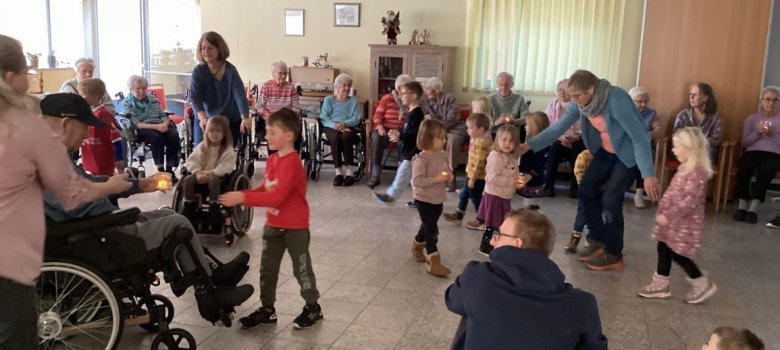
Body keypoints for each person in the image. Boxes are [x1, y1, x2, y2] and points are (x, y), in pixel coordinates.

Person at [40, 93, 253, 308]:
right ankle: (210, 296)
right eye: (85, 126)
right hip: (96, 233)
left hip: (95, 227)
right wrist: (110, 190)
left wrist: (137, 185)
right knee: (177, 225)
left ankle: (214, 274)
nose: (87, 133)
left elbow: (85, 183)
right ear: (65, 124)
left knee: (170, 214)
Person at [0, 36, 130, 349]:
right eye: (25, 76)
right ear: (9, 78)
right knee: (16, 334)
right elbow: (69, 194)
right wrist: (111, 187)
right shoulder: (22, 128)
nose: (27, 84)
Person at [520, 69, 660, 271]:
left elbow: (640, 137)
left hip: (628, 154)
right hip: (605, 151)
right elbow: (558, 127)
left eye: (577, 96)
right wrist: (529, 145)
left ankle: (613, 253)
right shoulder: (584, 104)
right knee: (586, 189)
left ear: (591, 89)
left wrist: (648, 175)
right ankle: (597, 239)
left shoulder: (616, 99)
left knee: (611, 200)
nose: (574, 100)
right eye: (572, 96)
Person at [445, 207, 608, 350]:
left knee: (470, 309)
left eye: (499, 234)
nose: (493, 240)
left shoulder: (478, 276)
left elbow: (452, 300)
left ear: (517, 243)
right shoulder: (582, 304)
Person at [221, 108, 324, 330]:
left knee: (301, 268)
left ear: (288, 135)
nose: (266, 136)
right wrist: (244, 196)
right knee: (267, 269)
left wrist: (243, 198)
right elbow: (266, 188)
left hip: (295, 227)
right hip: (273, 226)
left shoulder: (293, 163)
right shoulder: (273, 160)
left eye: (272, 132)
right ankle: (268, 309)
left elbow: (277, 197)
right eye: (266, 131)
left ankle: (313, 307)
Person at [637, 128, 717, 304]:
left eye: (677, 146)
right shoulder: (685, 169)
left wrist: (669, 215)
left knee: (677, 253)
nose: (673, 150)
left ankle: (702, 283)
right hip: (673, 222)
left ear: (689, 148)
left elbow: (689, 201)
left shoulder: (696, 173)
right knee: (664, 247)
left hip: (683, 223)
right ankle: (661, 283)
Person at [190, 31, 250, 145]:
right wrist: (203, 118)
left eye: (210, 48)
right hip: (206, 118)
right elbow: (195, 98)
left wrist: (245, 117)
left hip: (229, 120)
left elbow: (240, 95)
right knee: (201, 150)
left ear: (219, 49)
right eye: (203, 48)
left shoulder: (230, 70)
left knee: (226, 152)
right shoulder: (198, 71)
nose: (206, 52)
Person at [476, 125, 529, 254]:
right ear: (497, 140)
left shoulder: (511, 157)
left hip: (504, 195)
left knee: (500, 222)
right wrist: (512, 181)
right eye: (504, 140)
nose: (507, 144)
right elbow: (492, 178)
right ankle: (485, 245)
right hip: (494, 195)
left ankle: (496, 243)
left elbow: (512, 172)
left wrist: (519, 179)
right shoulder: (495, 157)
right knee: (492, 223)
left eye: (511, 141)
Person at [411, 119, 453, 277]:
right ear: (429, 139)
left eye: (444, 137)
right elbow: (417, 181)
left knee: (428, 225)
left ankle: (416, 244)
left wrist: (449, 175)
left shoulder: (442, 155)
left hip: (438, 198)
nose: (445, 140)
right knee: (432, 229)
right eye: (441, 137)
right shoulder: (421, 160)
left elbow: (447, 168)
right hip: (423, 199)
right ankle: (433, 261)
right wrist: (435, 179)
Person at [732, 86, 780, 224]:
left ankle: (753, 208)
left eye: (775, 100)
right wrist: (757, 132)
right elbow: (746, 142)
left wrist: (771, 135)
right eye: (768, 99)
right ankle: (741, 206)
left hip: (775, 154)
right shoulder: (752, 118)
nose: (771, 103)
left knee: (767, 169)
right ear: (761, 101)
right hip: (753, 151)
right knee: (744, 166)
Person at [373, 81, 424, 206]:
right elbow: (407, 130)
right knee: (414, 180)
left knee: (402, 175)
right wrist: (398, 133)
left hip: (413, 153)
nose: (400, 96)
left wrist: (401, 136)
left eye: (404, 93)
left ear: (414, 96)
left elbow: (415, 134)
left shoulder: (417, 114)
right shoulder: (410, 113)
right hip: (408, 151)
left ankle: (390, 196)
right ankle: (420, 200)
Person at [122, 75, 181, 179]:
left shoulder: (152, 98)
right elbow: (136, 123)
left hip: (159, 125)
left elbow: (162, 114)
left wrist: (165, 123)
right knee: (156, 137)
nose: (141, 91)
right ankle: (161, 171)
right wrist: (157, 127)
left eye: (144, 88)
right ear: (131, 89)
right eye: (138, 89)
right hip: (141, 128)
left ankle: (169, 170)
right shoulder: (127, 103)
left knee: (173, 135)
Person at [181, 116, 237, 223]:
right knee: (188, 180)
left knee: (213, 180)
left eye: (218, 131)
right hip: (200, 174)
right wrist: (197, 172)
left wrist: (211, 173)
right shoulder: (202, 146)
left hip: (218, 176)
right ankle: (189, 205)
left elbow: (226, 166)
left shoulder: (227, 150)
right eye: (211, 130)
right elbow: (192, 160)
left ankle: (214, 205)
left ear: (224, 133)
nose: (214, 134)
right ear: (206, 132)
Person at [443, 113, 492, 226]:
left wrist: (473, 179)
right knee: (464, 195)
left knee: (476, 198)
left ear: (481, 129)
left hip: (477, 177)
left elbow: (479, 163)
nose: (467, 131)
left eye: (470, 128)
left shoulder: (482, 143)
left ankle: (482, 220)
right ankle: (459, 215)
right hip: (470, 174)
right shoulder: (476, 139)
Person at [421, 77, 467, 191]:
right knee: (431, 139)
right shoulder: (425, 101)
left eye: (428, 89)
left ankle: (451, 178)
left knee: (451, 141)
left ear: (436, 90)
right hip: (438, 130)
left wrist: (434, 121)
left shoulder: (450, 98)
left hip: (455, 129)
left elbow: (452, 119)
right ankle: (431, 175)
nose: (425, 92)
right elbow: (425, 117)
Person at [368, 74, 413, 188]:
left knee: (404, 139)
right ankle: (375, 173)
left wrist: (401, 131)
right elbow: (377, 116)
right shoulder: (387, 98)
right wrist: (379, 126)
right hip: (385, 128)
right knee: (377, 138)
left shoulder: (409, 100)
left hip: (401, 130)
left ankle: (401, 175)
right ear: (398, 89)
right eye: (407, 88)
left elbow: (412, 119)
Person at [543, 79, 584, 198]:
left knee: (578, 151)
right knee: (554, 149)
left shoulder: (580, 106)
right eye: (559, 90)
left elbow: (587, 126)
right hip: (558, 139)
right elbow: (547, 125)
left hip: (576, 139)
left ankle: (575, 188)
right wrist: (561, 137)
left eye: (565, 90)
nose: (562, 92)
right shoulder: (552, 105)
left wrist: (577, 136)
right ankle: (548, 187)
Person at [320, 73, 362, 186]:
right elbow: (323, 117)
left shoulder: (354, 101)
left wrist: (344, 124)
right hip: (331, 126)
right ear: (337, 86)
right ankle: (338, 173)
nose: (347, 88)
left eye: (349, 85)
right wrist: (336, 126)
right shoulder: (329, 100)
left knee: (346, 137)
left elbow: (356, 118)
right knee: (335, 137)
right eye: (344, 85)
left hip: (349, 127)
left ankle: (350, 172)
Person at [78, 78, 124, 176]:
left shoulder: (103, 114)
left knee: (105, 183)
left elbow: (116, 139)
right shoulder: (88, 113)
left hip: (102, 160)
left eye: (83, 96)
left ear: (95, 97)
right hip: (89, 158)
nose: (80, 99)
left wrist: (118, 158)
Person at [256, 61, 301, 156]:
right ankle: (275, 160)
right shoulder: (266, 87)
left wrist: (288, 119)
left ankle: (291, 159)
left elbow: (296, 108)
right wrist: (271, 118)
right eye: (280, 73)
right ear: (273, 74)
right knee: (273, 134)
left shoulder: (290, 88)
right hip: (271, 120)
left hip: (287, 121)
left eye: (285, 73)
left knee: (295, 133)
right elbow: (259, 107)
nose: (284, 76)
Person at [629, 86, 662, 208]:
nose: (643, 104)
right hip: (627, 147)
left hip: (645, 148)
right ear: (631, 101)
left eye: (646, 101)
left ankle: (638, 194)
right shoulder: (625, 112)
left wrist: (643, 138)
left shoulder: (651, 113)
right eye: (639, 101)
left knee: (642, 157)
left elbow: (658, 131)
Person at [672, 82, 723, 162]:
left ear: (705, 97)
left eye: (695, 95)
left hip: (705, 152)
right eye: (690, 94)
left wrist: (697, 145)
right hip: (685, 151)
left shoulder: (715, 117)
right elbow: (677, 135)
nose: (691, 97)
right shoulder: (683, 115)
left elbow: (716, 139)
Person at [564, 150, 593, 253]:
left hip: (600, 190)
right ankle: (575, 240)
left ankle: (591, 238)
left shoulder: (607, 156)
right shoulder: (584, 155)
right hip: (585, 189)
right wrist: (582, 184)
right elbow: (578, 170)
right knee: (581, 214)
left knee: (595, 215)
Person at [517, 111, 550, 201]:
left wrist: (531, 174)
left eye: (527, 124)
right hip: (525, 175)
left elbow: (542, 162)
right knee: (525, 200)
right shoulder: (530, 140)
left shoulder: (541, 144)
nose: (525, 126)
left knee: (531, 203)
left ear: (535, 127)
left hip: (533, 178)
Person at [489, 72, 529, 140]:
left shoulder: (519, 99)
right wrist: (497, 121)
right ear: (497, 84)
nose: (503, 88)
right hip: (495, 134)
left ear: (512, 84)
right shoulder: (489, 99)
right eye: (501, 85)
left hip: (513, 135)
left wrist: (514, 121)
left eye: (506, 85)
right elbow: (484, 120)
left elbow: (527, 117)